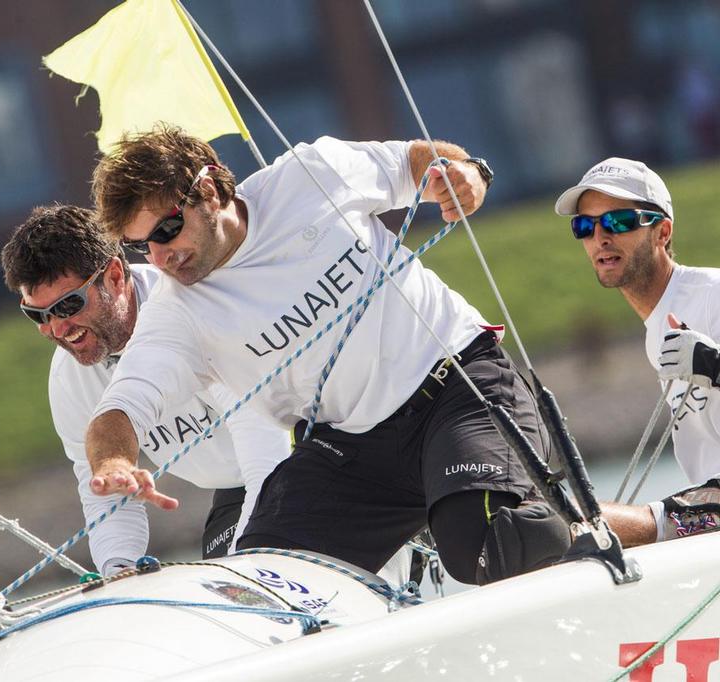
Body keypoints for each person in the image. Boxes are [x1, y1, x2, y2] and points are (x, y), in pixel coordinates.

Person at [84, 125, 571, 586]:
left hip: (457, 388)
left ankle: (610, 531)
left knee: (484, 545)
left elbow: (413, 163)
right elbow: (120, 410)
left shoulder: (309, 175)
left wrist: (461, 173)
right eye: (140, 245)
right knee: (267, 590)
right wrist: (112, 464)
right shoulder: (174, 314)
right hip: (352, 452)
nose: (160, 256)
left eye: (167, 230)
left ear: (209, 190)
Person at [0, 204, 315, 577]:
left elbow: (259, 431)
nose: (57, 329)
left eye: (69, 305)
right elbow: (103, 489)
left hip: (308, 452)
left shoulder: (191, 306)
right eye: (38, 315)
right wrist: (118, 572)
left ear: (115, 276)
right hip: (236, 490)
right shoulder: (69, 379)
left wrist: (253, 552)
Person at [555, 157, 720, 545]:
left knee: (572, 520)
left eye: (619, 221)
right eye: (584, 225)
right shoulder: (655, 334)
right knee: (558, 518)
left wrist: (714, 364)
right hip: (707, 507)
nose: (600, 237)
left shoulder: (713, 295)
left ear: (662, 232)